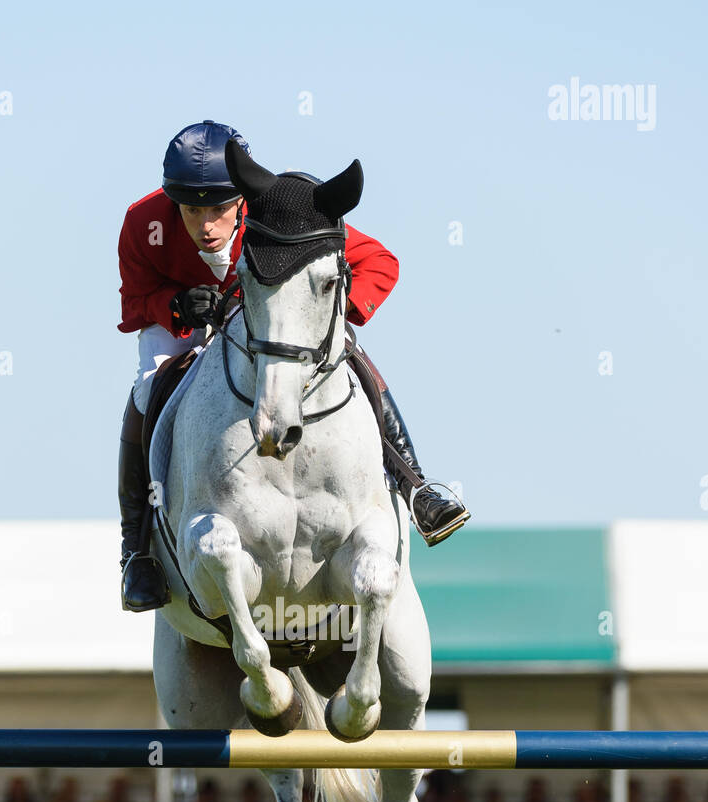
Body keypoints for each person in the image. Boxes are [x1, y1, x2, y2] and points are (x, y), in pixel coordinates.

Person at [116, 119, 469, 612]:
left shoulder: (280, 212)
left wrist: (340, 315)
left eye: (219, 208)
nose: (206, 225)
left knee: (349, 349)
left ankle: (417, 487)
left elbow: (381, 260)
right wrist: (174, 306)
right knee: (146, 388)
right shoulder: (141, 223)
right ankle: (137, 550)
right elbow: (134, 300)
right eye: (192, 211)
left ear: (242, 197)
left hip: (271, 322)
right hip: (185, 322)